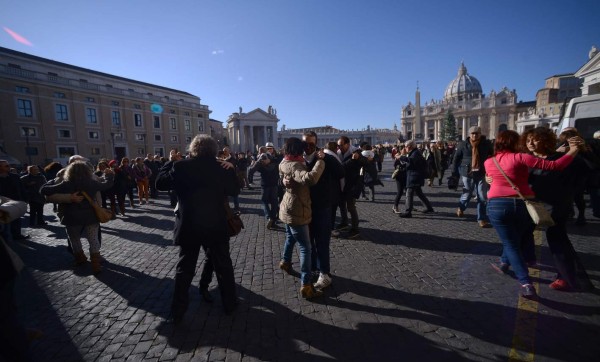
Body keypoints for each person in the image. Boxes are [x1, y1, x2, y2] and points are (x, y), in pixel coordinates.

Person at [484, 130, 583, 299]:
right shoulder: (521, 158)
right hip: (523, 204)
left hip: (497, 205)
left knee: (511, 242)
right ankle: (507, 264)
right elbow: (554, 166)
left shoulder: (489, 161)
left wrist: (489, 179)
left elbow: (492, 176)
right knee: (515, 241)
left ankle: (524, 280)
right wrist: (573, 150)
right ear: (516, 143)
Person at [156, 135, 239, 321]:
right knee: (223, 266)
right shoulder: (222, 168)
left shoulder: (181, 167)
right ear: (213, 150)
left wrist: (170, 162)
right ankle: (230, 303)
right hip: (216, 225)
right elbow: (235, 190)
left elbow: (159, 183)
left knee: (185, 268)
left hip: (189, 225)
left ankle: (178, 311)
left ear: (192, 149)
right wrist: (232, 169)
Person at [521, 127, 593, 291]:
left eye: (535, 139)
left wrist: (584, 149)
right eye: (528, 140)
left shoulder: (562, 158)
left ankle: (565, 276)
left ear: (545, 140)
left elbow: (590, 168)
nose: (531, 143)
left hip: (556, 206)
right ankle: (525, 259)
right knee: (523, 232)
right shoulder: (528, 159)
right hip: (533, 204)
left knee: (557, 240)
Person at [40, 161, 114, 274]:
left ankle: (81, 259)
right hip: (91, 216)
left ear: (69, 171)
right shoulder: (91, 182)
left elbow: (43, 190)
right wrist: (109, 175)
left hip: (71, 216)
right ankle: (96, 265)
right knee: (93, 238)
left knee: (74, 239)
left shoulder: (66, 184)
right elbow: (107, 184)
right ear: (87, 171)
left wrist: (52, 185)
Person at [278, 137, 325, 299]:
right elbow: (310, 179)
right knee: (305, 247)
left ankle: (285, 261)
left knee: (290, 237)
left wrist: (284, 182)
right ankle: (306, 285)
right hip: (297, 208)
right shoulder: (296, 165)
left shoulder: (284, 161)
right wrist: (320, 162)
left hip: (287, 207)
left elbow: (282, 178)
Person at [303, 132, 344, 290]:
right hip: (305, 207)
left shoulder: (325, 157)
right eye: (305, 144)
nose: (307, 147)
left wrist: (326, 158)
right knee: (309, 242)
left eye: (311, 144)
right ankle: (314, 268)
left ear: (316, 144)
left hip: (322, 206)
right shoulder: (298, 158)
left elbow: (341, 172)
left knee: (322, 242)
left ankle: (325, 273)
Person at [452, 126, 493, 228]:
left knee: (482, 196)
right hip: (467, 173)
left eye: (476, 133)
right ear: (469, 134)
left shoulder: (486, 144)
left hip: (482, 173)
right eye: (472, 134)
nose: (474, 135)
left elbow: (492, 157)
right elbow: (456, 159)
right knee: (467, 194)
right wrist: (454, 172)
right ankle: (461, 208)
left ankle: (481, 218)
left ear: (480, 134)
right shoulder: (463, 144)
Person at [336, 136, 367, 238]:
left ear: (347, 144)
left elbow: (364, 162)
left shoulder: (356, 152)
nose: (339, 147)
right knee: (341, 204)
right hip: (342, 182)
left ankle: (355, 229)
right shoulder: (339, 152)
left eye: (341, 145)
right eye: (338, 145)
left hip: (352, 184)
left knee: (351, 207)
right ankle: (344, 222)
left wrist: (358, 158)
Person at [398, 140, 434, 218]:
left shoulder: (415, 153)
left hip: (414, 177)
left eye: (405, 146)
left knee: (409, 194)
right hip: (415, 176)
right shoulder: (415, 152)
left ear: (409, 147)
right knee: (419, 193)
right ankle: (429, 207)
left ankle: (408, 212)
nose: (405, 148)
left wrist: (401, 156)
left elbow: (411, 161)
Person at [248, 152, 280, 229]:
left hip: (265, 185)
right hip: (274, 184)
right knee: (274, 202)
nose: (264, 160)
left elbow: (251, 171)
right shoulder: (275, 162)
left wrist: (256, 162)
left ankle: (269, 217)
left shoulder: (261, 165)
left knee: (264, 201)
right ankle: (273, 219)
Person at [0, 159, 29, 241]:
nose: (9, 167)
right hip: (3, 204)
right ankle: (5, 240)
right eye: (6, 166)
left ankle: (17, 235)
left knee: (16, 220)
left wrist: (25, 199)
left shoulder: (15, 176)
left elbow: (21, 189)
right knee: (4, 223)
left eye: (8, 165)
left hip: (16, 202)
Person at [392, 146, 408, 214]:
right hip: (399, 177)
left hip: (407, 177)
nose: (404, 150)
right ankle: (395, 206)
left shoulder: (408, 157)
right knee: (400, 192)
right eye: (403, 149)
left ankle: (409, 206)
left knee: (409, 192)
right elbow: (396, 167)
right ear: (400, 150)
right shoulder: (398, 158)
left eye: (405, 148)